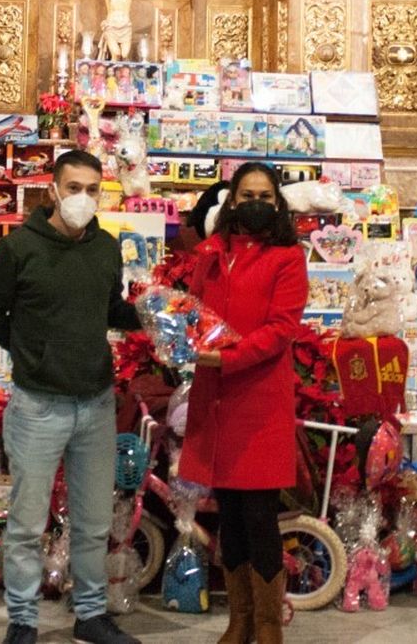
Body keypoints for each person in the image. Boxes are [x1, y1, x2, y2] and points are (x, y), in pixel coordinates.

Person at [0, 149, 144, 644]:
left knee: (93, 521)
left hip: (95, 402)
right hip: (37, 405)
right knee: (27, 523)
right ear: (53, 189)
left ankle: (91, 615)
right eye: (74, 188)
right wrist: (31, 352)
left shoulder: (107, 248)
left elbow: (110, 307)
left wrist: (151, 312)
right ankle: (22, 620)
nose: (83, 199)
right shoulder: (19, 247)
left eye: (93, 190)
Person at [178, 162, 309, 644]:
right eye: (246, 195)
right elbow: (192, 312)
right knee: (229, 515)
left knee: (259, 517)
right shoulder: (211, 254)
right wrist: (179, 338)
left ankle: (270, 625)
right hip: (215, 401)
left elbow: (281, 330)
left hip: (258, 402)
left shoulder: (288, 258)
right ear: (231, 201)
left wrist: (223, 357)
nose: (255, 203)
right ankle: (241, 619)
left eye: (265, 196)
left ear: (277, 204)